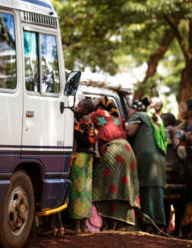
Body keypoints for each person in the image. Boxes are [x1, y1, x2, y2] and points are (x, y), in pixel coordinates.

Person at [90, 96, 140, 230]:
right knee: (124, 187)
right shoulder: (118, 119)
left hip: (112, 151)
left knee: (102, 186)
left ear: (98, 106)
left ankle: (107, 223)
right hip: (128, 151)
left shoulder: (95, 115)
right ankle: (121, 223)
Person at [126, 98, 167, 233]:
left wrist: (123, 124)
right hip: (159, 158)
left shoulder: (139, 115)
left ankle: (148, 225)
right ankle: (158, 223)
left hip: (146, 159)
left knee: (146, 188)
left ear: (134, 109)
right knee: (156, 188)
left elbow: (130, 132)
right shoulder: (156, 119)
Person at [68, 98, 97, 233]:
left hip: (80, 157)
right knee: (86, 190)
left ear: (84, 110)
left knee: (78, 190)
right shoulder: (89, 120)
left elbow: (82, 139)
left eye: (78, 106)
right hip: (88, 158)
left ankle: (76, 227)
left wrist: (74, 126)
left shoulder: (83, 121)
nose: (76, 107)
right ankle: (84, 226)